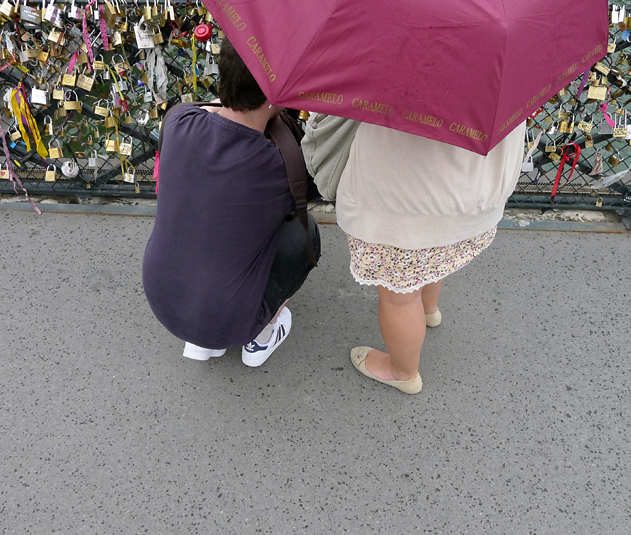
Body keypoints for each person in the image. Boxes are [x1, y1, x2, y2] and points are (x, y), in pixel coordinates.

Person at [142, 38, 320, 367]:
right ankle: (261, 336)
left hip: (161, 298)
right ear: (278, 93)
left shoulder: (179, 119)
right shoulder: (281, 165)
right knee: (304, 234)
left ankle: (202, 342)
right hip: (229, 319)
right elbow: (320, 184)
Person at [335, 121, 526, 394]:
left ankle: (402, 371)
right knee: (435, 255)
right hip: (480, 186)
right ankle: (428, 309)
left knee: (399, 297)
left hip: (403, 198)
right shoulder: (506, 79)